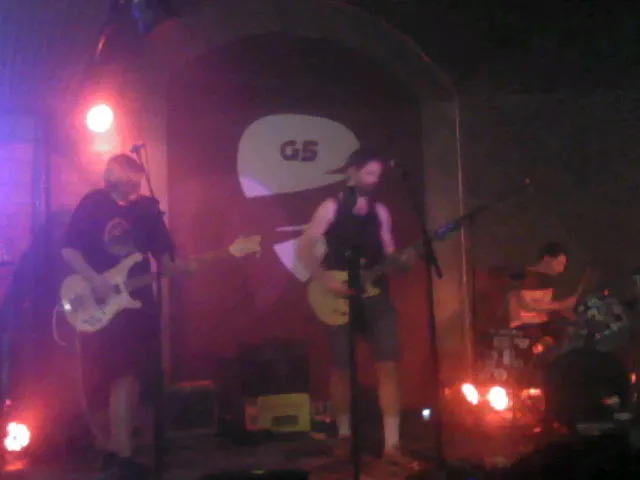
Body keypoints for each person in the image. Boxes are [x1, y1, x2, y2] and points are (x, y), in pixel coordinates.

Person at [297, 147, 416, 465]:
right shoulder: (331, 207)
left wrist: (403, 262)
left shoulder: (380, 211)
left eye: (378, 175)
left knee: (388, 367)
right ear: (352, 170)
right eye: (369, 173)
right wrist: (325, 280)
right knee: (342, 370)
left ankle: (392, 445)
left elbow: (390, 254)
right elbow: (305, 247)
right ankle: (345, 437)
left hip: (376, 295)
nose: (375, 180)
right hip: (340, 294)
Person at [61, 153, 177, 479]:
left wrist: (195, 264)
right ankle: (116, 451)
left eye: (136, 183)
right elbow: (69, 249)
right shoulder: (93, 204)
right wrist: (95, 278)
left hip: (137, 304)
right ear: (112, 179)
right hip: (100, 302)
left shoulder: (148, 210)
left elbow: (166, 261)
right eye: (128, 183)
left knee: (133, 374)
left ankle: (123, 453)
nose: (134, 189)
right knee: (107, 378)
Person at [507, 242, 578, 353]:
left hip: (542, 330)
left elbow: (545, 309)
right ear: (547, 259)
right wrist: (561, 305)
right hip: (523, 332)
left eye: (563, 265)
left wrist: (567, 312)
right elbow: (528, 305)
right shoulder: (526, 276)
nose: (561, 269)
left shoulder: (547, 280)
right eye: (559, 264)